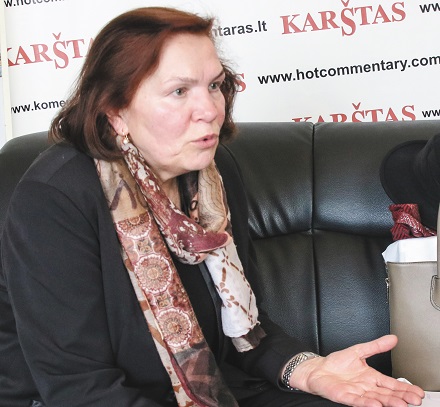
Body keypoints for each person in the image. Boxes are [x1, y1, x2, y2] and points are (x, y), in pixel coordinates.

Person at [0, 7, 424, 407]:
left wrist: (310, 370)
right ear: (115, 112)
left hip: (213, 389)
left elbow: (246, 331)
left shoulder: (214, 173)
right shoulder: (53, 198)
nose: (209, 110)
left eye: (215, 85)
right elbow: (78, 387)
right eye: (179, 91)